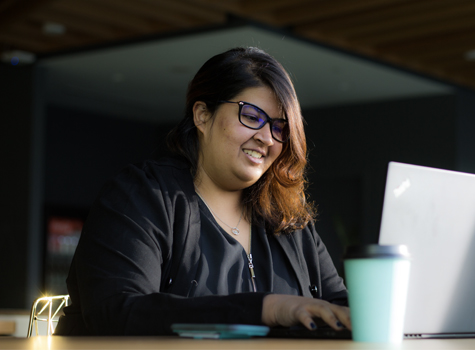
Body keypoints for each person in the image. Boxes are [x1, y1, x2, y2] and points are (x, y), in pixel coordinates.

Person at [55, 47, 350, 336]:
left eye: (279, 128)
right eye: (251, 116)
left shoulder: (289, 221)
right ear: (202, 116)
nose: (266, 138)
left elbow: (339, 308)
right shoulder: (141, 195)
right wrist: (266, 308)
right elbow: (117, 312)